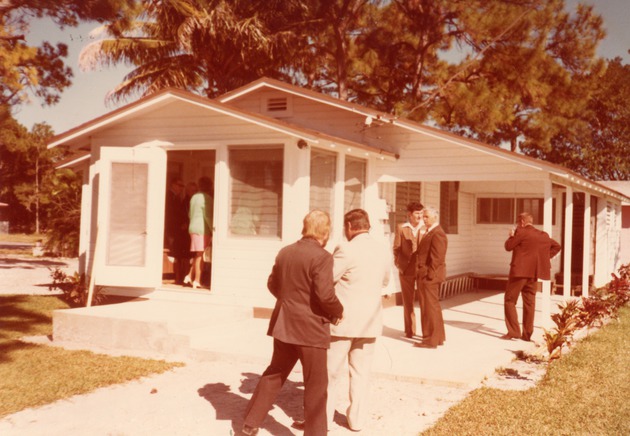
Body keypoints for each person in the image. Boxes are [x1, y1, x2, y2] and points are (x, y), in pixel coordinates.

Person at [242, 210, 344, 436]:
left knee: (274, 374)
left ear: (305, 227)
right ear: (325, 231)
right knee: (316, 385)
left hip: (284, 325)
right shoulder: (323, 257)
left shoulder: (285, 252)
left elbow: (272, 284)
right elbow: (325, 295)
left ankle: (250, 423)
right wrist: (338, 311)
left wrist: (289, 302)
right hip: (311, 330)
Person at [326, 209, 390, 432]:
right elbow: (384, 281)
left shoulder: (346, 249)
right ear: (368, 226)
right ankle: (357, 421)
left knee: (330, 374)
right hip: (369, 323)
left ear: (349, 227)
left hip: (342, 323)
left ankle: (323, 421)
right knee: (361, 374)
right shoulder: (383, 250)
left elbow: (327, 279)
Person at [502, 212, 561, 341]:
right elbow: (557, 246)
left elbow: (508, 247)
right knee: (529, 303)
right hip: (533, 274)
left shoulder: (521, 232)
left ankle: (513, 332)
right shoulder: (543, 235)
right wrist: (545, 257)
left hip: (518, 274)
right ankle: (527, 334)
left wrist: (511, 236)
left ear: (522, 222)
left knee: (510, 301)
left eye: (518, 223)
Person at [414, 207, 447, 349]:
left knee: (429, 308)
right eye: (423, 217)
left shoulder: (437, 233)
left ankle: (430, 340)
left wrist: (429, 276)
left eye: (426, 217)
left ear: (435, 217)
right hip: (428, 275)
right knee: (433, 307)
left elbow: (437, 257)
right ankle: (438, 337)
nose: (424, 219)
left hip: (429, 276)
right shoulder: (430, 232)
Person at [393, 201, 425, 338]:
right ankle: (410, 331)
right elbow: (396, 249)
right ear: (410, 215)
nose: (420, 216)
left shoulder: (425, 228)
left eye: (421, 213)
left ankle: (426, 332)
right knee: (408, 302)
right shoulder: (402, 228)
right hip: (406, 270)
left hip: (422, 270)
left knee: (424, 301)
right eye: (417, 213)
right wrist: (400, 265)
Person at [184, 176, 213, 289]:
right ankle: (197, 280)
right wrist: (213, 229)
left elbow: (190, 214)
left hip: (193, 227)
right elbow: (208, 216)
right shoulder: (207, 198)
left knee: (198, 254)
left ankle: (189, 276)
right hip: (203, 229)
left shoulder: (194, 197)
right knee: (200, 255)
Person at [164, 178, 189, 284]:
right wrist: (179, 224)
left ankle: (178, 277)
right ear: (173, 185)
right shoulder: (169, 196)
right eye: (179, 185)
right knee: (173, 251)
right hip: (171, 228)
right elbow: (170, 214)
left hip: (176, 229)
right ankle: (175, 277)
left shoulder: (177, 197)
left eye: (182, 186)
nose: (181, 188)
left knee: (177, 252)